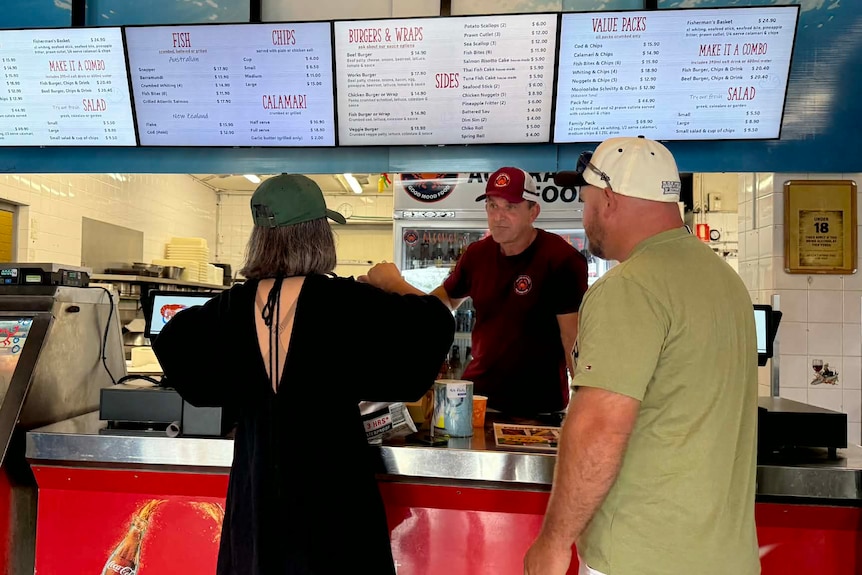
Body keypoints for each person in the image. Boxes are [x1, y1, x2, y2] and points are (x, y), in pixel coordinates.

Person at [152, 174, 455, 575]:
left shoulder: (227, 309)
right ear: (319, 236)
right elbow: (435, 325)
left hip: (255, 501)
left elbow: (174, 341)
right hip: (336, 501)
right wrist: (395, 283)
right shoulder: (349, 304)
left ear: (260, 238)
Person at [524, 136, 759, 575]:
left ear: (609, 200)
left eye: (586, 200)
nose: (584, 215)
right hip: (727, 558)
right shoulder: (726, 281)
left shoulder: (629, 287)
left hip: (639, 556)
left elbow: (600, 427)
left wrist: (554, 543)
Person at [363, 167, 588, 416]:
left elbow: (573, 338)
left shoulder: (561, 259)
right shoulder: (477, 254)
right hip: (480, 400)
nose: (499, 216)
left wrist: (584, 406)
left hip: (541, 407)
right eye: (492, 206)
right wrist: (391, 293)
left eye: (510, 207)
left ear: (533, 211)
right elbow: (440, 305)